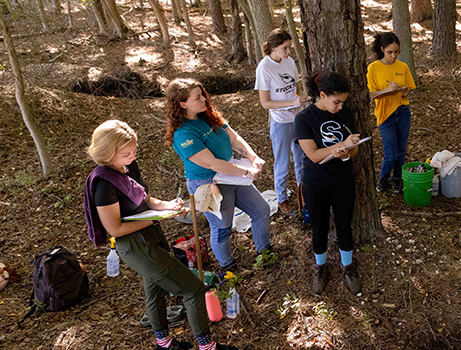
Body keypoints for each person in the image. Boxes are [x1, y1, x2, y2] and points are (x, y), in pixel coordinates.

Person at [83, 120, 236, 350]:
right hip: (135, 244)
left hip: (151, 234)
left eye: (134, 150)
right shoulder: (103, 183)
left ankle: (163, 344)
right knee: (193, 289)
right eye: (126, 153)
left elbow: (145, 199)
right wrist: (155, 218)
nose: (132, 156)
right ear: (108, 153)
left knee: (154, 288)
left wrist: (167, 206)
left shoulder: (127, 167)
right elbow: (114, 229)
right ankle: (207, 346)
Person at [165, 78, 271, 272]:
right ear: (182, 104)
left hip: (231, 171)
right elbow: (211, 163)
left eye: (203, 95)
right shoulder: (183, 134)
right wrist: (247, 172)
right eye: (197, 97)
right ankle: (229, 268)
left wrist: (252, 156)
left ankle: (265, 253)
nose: (204, 99)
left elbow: (233, 137)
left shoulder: (208, 115)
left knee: (261, 210)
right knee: (222, 228)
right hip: (207, 183)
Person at [295, 72, 362, 296]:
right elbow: (313, 155)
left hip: (342, 179)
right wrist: (339, 146)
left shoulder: (346, 114)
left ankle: (348, 267)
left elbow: (354, 148)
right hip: (316, 182)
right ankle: (320, 267)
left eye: (343, 102)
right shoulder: (304, 119)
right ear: (322, 95)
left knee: (344, 224)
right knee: (320, 227)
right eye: (336, 102)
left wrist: (348, 150)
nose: (340, 107)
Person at [255, 28, 310, 215]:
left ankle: (304, 195)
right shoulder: (264, 67)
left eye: (289, 48)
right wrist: (291, 102)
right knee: (282, 161)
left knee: (302, 158)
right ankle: (282, 200)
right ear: (273, 47)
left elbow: (295, 88)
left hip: (299, 117)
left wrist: (302, 98)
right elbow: (265, 103)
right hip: (281, 121)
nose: (288, 52)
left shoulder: (290, 62)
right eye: (285, 48)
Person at [366, 32, 416, 193]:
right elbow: (370, 94)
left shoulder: (403, 67)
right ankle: (383, 178)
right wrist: (388, 90)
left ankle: (397, 179)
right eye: (389, 52)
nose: (393, 56)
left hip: (402, 111)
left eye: (396, 52)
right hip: (385, 114)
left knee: (401, 151)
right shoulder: (373, 68)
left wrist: (405, 92)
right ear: (382, 49)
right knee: (391, 154)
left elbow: (408, 88)